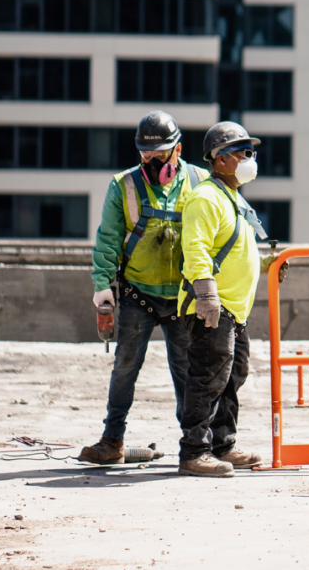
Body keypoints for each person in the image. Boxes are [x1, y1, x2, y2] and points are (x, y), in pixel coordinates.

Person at [79, 111, 211, 465]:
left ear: (178, 150)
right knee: (124, 368)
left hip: (183, 298)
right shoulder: (123, 185)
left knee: (188, 374)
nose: (151, 162)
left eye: (159, 154)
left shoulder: (200, 182)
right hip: (139, 294)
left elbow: (219, 235)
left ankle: (194, 447)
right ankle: (112, 440)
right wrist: (103, 287)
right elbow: (107, 240)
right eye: (145, 155)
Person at [176, 121, 284, 477]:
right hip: (212, 307)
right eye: (242, 152)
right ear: (219, 159)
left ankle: (223, 445)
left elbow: (237, 249)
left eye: (249, 152)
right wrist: (205, 294)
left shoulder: (232, 198)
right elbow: (196, 248)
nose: (249, 158)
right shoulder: (206, 197)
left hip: (234, 311)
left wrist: (268, 264)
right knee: (207, 378)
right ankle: (194, 452)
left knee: (231, 378)